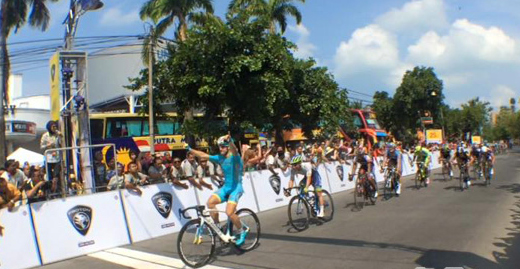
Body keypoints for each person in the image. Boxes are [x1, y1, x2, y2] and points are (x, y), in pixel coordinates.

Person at [189, 135, 248, 246]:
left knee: (229, 212)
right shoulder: (219, 158)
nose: (220, 149)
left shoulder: (235, 157)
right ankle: (218, 227)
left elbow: (235, 150)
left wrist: (230, 141)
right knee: (210, 203)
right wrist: (190, 149)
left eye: (223, 147)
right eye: (219, 147)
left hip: (236, 188)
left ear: (228, 147)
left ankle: (242, 231)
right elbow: (203, 155)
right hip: (226, 188)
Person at [40, 120, 61, 193]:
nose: (54, 128)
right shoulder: (45, 135)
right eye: (53, 127)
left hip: (57, 157)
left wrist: (60, 135)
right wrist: (48, 146)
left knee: (56, 174)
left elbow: (62, 140)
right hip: (48, 158)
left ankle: (56, 187)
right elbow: (42, 147)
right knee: (49, 175)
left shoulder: (57, 134)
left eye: (55, 126)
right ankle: (50, 188)